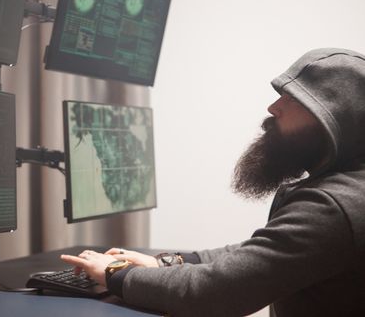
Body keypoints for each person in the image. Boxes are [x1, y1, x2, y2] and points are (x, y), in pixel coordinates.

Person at [61, 48, 365, 316]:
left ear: (334, 118)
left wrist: (114, 273)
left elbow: (218, 291)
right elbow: (256, 255)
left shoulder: (332, 208)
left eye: (292, 99)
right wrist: (167, 263)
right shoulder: (350, 189)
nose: (274, 108)